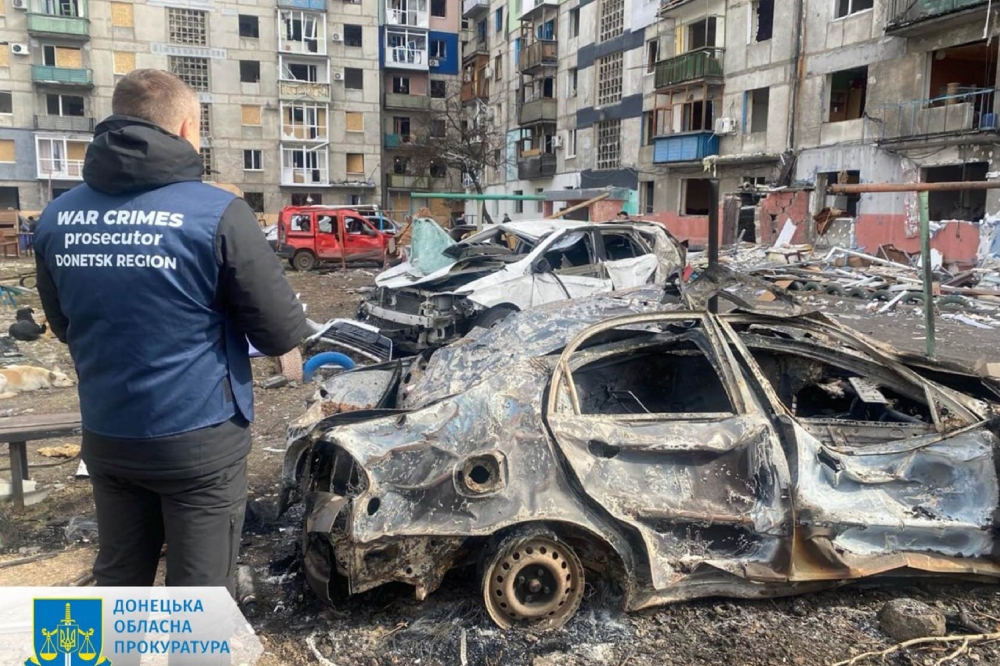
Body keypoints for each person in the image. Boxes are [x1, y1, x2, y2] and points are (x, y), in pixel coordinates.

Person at [33, 70, 309, 598]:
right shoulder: (219, 213)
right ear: (185, 127)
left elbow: (66, 327)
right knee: (200, 595)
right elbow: (277, 334)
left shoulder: (56, 217)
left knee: (119, 579)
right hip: (199, 440)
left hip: (109, 435)